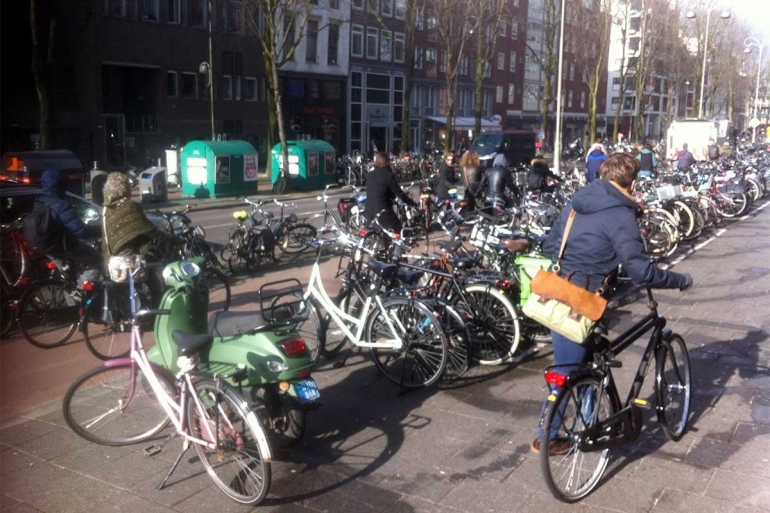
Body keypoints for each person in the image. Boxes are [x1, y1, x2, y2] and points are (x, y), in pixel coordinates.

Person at [532, 153, 693, 454]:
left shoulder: (577, 202)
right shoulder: (620, 214)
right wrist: (680, 280)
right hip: (585, 300)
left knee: (585, 361)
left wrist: (579, 262)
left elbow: (551, 245)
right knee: (568, 370)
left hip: (559, 291)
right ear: (632, 182)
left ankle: (592, 417)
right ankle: (550, 435)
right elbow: (642, 272)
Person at [33, 169, 101, 270]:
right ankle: (85, 285)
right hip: (63, 246)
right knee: (96, 259)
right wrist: (100, 230)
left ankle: (67, 281)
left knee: (66, 272)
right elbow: (81, 232)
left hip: (45, 247)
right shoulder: (60, 204)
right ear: (60, 184)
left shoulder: (39, 201)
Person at [365, 152, 417, 232]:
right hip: (382, 211)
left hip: (369, 212)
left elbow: (379, 190)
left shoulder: (369, 175)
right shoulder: (388, 175)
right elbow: (399, 194)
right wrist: (412, 203)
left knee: (380, 235)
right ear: (387, 162)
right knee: (398, 228)